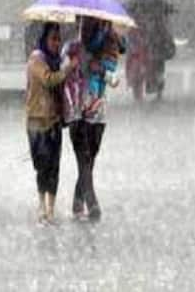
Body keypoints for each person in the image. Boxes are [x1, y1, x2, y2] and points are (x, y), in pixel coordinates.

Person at [62, 17, 118, 221]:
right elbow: (62, 73)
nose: (85, 29)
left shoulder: (106, 51)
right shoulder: (70, 48)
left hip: (99, 114)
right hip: (77, 113)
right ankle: (92, 203)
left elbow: (115, 80)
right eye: (83, 25)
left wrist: (101, 70)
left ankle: (77, 201)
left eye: (91, 26)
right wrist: (74, 65)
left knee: (90, 159)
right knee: (83, 159)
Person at [25, 22, 76, 223]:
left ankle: (50, 209)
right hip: (37, 121)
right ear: (44, 40)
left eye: (58, 39)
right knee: (42, 165)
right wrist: (66, 70)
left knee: (54, 166)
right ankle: (41, 204)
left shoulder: (57, 60)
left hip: (54, 120)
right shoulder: (37, 59)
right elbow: (47, 79)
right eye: (53, 39)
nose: (56, 43)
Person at [86, 21, 126, 102]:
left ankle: (94, 96)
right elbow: (123, 49)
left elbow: (95, 45)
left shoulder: (103, 31)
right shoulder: (117, 33)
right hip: (113, 64)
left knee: (94, 76)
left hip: (103, 61)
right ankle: (99, 99)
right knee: (102, 81)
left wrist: (89, 46)